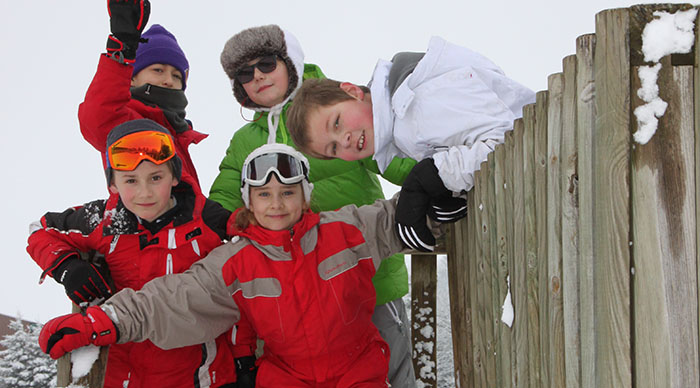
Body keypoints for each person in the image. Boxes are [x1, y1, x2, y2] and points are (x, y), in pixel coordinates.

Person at [38, 143, 459, 388]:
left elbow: (395, 216)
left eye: (288, 192)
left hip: (360, 376)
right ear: (248, 201)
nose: (276, 204)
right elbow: (171, 300)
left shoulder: (346, 229)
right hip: (287, 381)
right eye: (263, 194)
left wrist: (434, 191)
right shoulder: (234, 262)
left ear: (305, 195)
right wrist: (100, 322)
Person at [210, 24, 418, 387]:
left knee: (389, 372)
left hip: (366, 271)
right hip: (295, 295)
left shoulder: (330, 107)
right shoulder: (246, 141)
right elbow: (224, 197)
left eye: (267, 63)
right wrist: (221, 223)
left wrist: (431, 178)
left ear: (289, 62)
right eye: (245, 73)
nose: (258, 76)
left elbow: (390, 153)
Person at [27, 120, 237, 388]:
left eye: (156, 178)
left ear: (174, 177)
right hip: (125, 374)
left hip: (200, 375)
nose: (144, 192)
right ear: (112, 184)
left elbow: (255, 241)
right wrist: (67, 267)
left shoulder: (207, 218)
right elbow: (40, 230)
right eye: (130, 180)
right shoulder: (104, 220)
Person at [286, 36, 536, 252]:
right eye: (333, 149)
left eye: (337, 123)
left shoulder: (418, 101)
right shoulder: (403, 121)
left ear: (352, 91)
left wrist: (432, 176)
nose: (344, 140)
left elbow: (512, 140)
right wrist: (454, 191)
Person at [78, 0, 206, 187]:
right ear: (132, 78)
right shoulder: (128, 121)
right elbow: (98, 117)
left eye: (176, 75)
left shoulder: (178, 131)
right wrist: (121, 53)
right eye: (158, 70)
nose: (169, 80)